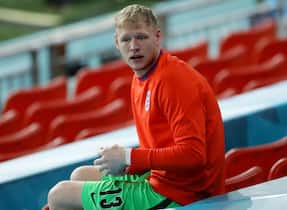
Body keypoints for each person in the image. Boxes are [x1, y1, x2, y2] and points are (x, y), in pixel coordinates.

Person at [48, 4, 225, 210]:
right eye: (126, 39)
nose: (133, 46)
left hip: (185, 194)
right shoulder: (141, 77)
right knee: (79, 175)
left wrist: (127, 157)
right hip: (164, 179)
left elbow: (193, 155)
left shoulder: (173, 79)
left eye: (141, 37)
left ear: (157, 37)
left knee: (58, 196)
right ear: (117, 43)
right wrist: (127, 163)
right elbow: (160, 147)